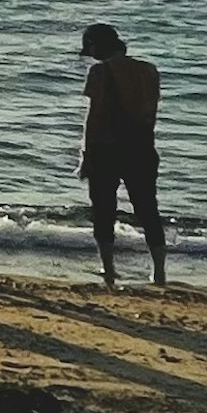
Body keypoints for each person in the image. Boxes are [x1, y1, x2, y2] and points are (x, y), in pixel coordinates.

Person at [77, 22, 169, 286]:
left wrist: (86, 155)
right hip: (142, 147)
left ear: (97, 46)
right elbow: (150, 113)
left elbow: (93, 118)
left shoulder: (99, 73)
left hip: (106, 149)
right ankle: (159, 271)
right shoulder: (150, 71)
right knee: (148, 208)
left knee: (104, 209)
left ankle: (108, 269)